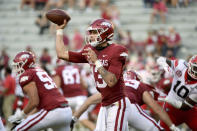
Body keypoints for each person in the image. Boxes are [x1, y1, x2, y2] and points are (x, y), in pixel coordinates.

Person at [55, 18, 130, 130]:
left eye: (95, 32)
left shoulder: (117, 50)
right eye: (90, 32)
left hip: (117, 103)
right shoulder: (89, 49)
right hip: (105, 103)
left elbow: (111, 81)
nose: (91, 35)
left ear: (106, 33)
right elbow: (61, 54)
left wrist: (96, 62)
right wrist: (59, 30)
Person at [71, 70, 180, 131]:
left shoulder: (113, 87)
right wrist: (172, 126)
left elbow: (88, 101)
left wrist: (74, 118)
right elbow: (156, 108)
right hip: (130, 107)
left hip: (114, 109)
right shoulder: (139, 85)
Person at [8, 51, 72, 131]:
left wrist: (21, 115)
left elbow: (34, 102)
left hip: (52, 111)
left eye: (18, 65)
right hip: (66, 110)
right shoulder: (39, 70)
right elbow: (39, 105)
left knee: (17, 130)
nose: (17, 69)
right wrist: (26, 117)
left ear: (25, 64)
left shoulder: (27, 75)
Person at [52, 60, 95, 130]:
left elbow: (57, 87)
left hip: (67, 99)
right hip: (80, 97)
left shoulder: (58, 70)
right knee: (83, 120)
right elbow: (84, 85)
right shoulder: (76, 68)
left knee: (63, 121)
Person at [157, 55, 197, 130]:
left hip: (190, 111)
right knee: (160, 129)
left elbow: (185, 106)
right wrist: (167, 68)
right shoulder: (181, 65)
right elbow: (160, 59)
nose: (196, 72)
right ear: (190, 65)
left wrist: (168, 99)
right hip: (171, 110)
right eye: (195, 68)